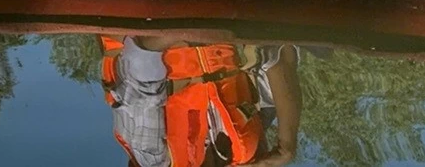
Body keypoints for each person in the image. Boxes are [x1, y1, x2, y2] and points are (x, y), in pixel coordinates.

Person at [99, 35, 301, 167]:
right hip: (219, 11)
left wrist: (194, 24)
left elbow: (140, 59)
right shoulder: (245, 149)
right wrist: (286, 146)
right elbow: (280, 51)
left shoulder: (152, 158)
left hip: (153, 15)